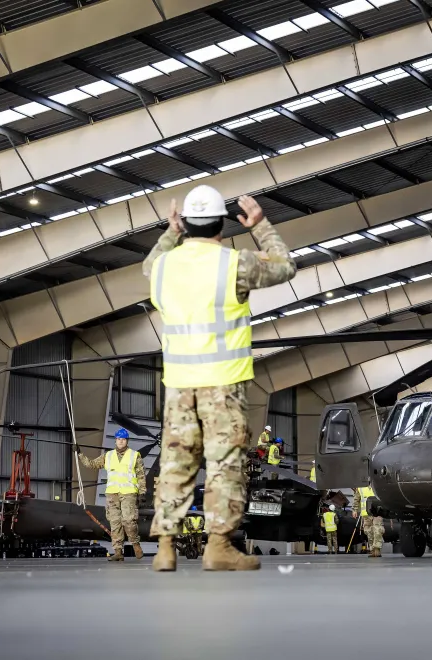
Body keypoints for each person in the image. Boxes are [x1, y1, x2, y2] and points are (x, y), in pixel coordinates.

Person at [143, 186, 296, 572]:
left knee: (176, 462)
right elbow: (284, 265)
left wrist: (170, 231)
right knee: (224, 464)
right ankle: (218, 546)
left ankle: (165, 548)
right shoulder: (235, 264)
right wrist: (260, 226)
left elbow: (153, 259)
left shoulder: (161, 266)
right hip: (223, 383)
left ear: (187, 224)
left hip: (179, 383)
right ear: (223, 226)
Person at [77, 428, 146, 561]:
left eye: (123, 439)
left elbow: (141, 475)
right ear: (115, 440)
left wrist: (142, 492)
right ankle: (118, 552)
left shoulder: (135, 455)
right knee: (115, 523)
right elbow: (91, 464)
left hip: (129, 493)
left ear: (127, 441)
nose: (121, 441)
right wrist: (80, 454)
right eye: (119, 439)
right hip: (112, 494)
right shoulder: (108, 456)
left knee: (128, 520)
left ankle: (135, 544)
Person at [353, 485, 383, 558]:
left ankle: (377, 550)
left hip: (377, 512)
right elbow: (357, 498)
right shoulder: (360, 487)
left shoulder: (378, 484)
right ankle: (372, 550)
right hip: (366, 513)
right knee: (369, 532)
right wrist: (355, 510)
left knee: (377, 530)